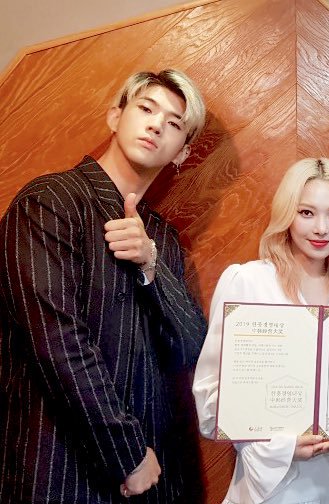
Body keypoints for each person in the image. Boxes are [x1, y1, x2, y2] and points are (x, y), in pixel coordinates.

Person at [0, 69, 208, 502]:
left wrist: (151, 264)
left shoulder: (162, 238)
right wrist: (127, 453)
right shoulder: (48, 202)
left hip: (152, 475)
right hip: (59, 471)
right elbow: (56, 343)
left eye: (174, 123)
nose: (156, 125)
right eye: (146, 109)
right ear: (115, 116)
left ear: (182, 153)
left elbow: (190, 347)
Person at [193, 158, 329, 504]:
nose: (321, 229)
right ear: (286, 215)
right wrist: (280, 447)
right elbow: (210, 402)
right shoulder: (247, 281)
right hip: (273, 489)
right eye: (306, 212)